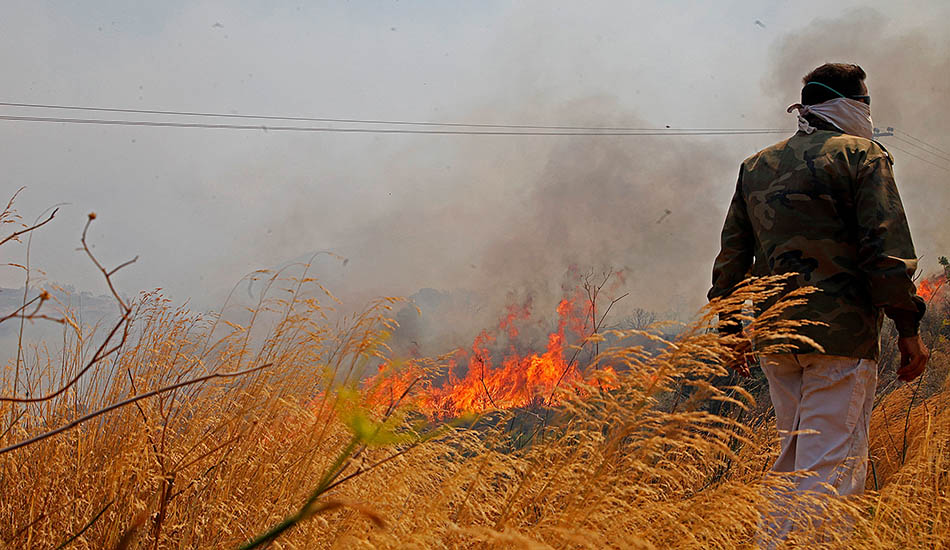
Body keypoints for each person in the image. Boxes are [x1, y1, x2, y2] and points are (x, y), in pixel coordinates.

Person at [707, 62, 930, 542]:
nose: (868, 112)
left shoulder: (756, 166)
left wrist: (730, 329)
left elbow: (731, 259)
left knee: (794, 463)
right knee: (831, 471)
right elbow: (886, 253)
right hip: (840, 341)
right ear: (849, 105)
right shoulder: (864, 157)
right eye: (865, 102)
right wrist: (909, 330)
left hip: (777, 341)